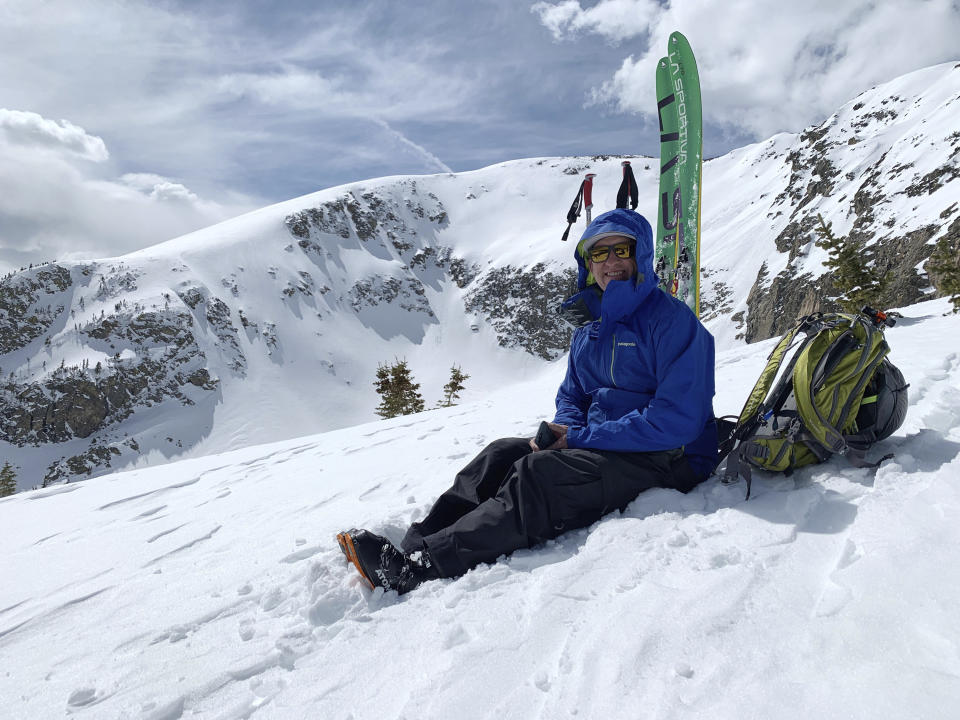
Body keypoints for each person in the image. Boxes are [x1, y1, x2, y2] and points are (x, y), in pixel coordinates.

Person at [338, 208, 718, 595]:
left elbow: (677, 420)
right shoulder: (590, 333)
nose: (611, 262)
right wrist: (563, 431)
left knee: (539, 477)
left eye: (620, 249)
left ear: (641, 255)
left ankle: (421, 567)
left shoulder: (672, 323)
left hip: (668, 457)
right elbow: (572, 396)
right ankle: (414, 545)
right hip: (607, 444)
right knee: (501, 454)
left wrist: (582, 439)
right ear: (588, 265)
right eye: (599, 254)